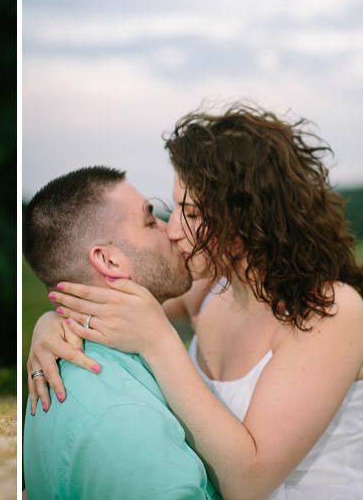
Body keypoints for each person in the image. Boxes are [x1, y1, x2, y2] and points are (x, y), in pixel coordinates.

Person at [28, 105, 363, 499]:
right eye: (174, 208)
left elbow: (250, 481)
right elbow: (113, 301)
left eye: (190, 212)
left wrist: (159, 342)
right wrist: (53, 324)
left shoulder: (332, 314)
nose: (173, 230)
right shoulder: (207, 290)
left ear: (245, 217)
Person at [23, 166, 220, 499]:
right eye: (149, 220)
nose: (171, 231)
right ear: (109, 261)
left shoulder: (76, 369)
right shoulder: (125, 420)